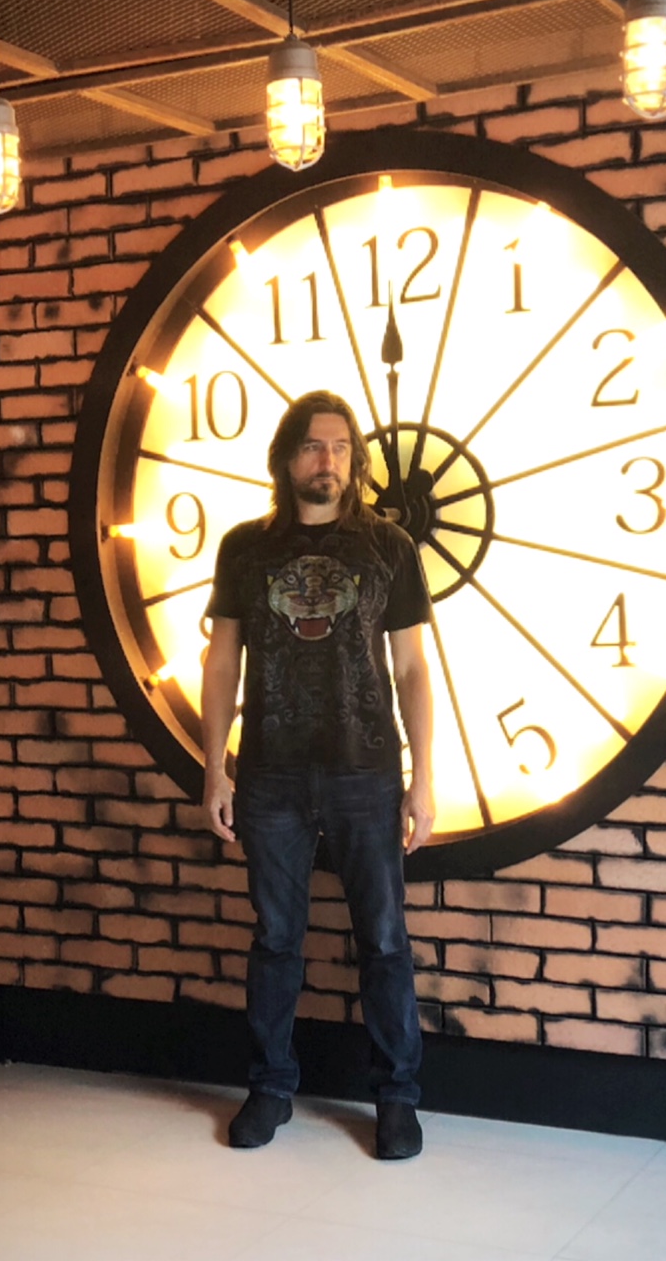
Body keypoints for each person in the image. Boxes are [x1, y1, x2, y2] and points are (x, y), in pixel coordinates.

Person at [201, 389, 435, 1160]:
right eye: (310, 445)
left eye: (338, 446)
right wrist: (215, 768)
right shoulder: (244, 548)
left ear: (355, 460)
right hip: (269, 774)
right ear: (286, 458)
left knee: (385, 940)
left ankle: (397, 1098)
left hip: (367, 772)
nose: (325, 459)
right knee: (276, 940)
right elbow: (221, 660)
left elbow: (412, 669)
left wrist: (424, 777)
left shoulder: (389, 548)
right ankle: (270, 1088)